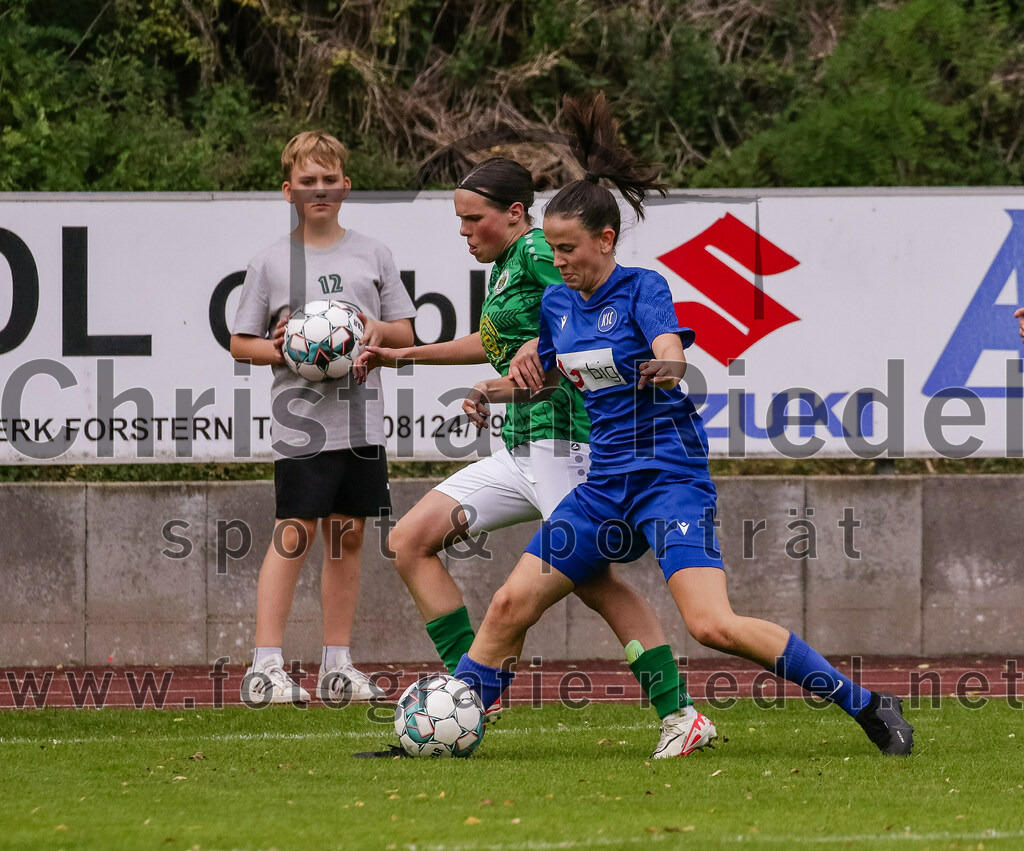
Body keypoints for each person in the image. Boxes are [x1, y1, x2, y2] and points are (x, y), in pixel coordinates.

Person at [453, 94, 914, 757]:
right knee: (507, 605)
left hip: (668, 477)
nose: (558, 261)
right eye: (551, 248)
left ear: (605, 240)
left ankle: (867, 703)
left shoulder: (643, 289)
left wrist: (669, 366)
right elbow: (551, 374)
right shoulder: (557, 300)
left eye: (568, 248)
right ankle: (451, 724)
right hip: (603, 485)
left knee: (712, 624)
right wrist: (492, 388)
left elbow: (669, 345)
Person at [355, 156, 716, 757]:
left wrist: (532, 353)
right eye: (459, 221)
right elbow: (488, 345)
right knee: (409, 541)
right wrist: (401, 357)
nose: (464, 231)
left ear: (515, 214)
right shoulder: (502, 270)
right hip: (521, 445)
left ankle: (679, 713)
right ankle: (471, 697)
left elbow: (580, 312)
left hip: (567, 443)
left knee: (594, 585)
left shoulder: (540, 254)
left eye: (474, 219)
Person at [230, 130, 416, 704]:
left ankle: (337, 666)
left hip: (361, 424)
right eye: (307, 182)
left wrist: (373, 331)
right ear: (288, 190)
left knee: (348, 538)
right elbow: (241, 343)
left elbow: (404, 333)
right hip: (301, 424)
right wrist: (283, 348)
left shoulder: (374, 254)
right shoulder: (268, 263)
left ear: (346, 186)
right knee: (294, 534)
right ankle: (265, 665)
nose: (319, 190)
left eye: (329, 181)